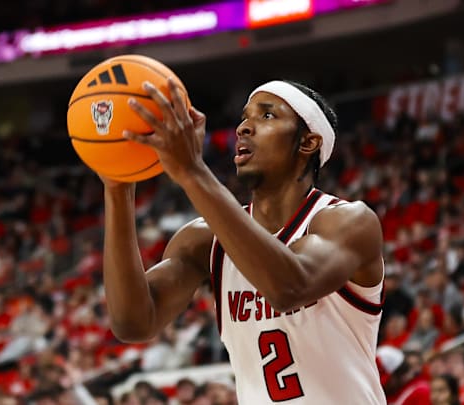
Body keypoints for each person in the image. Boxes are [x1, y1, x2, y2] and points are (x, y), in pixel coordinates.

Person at [101, 79, 386, 404]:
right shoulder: (203, 239)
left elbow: (289, 287)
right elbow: (133, 323)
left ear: (308, 142)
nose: (243, 128)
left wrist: (193, 172)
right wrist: (118, 188)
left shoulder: (348, 221)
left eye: (266, 116)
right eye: (244, 117)